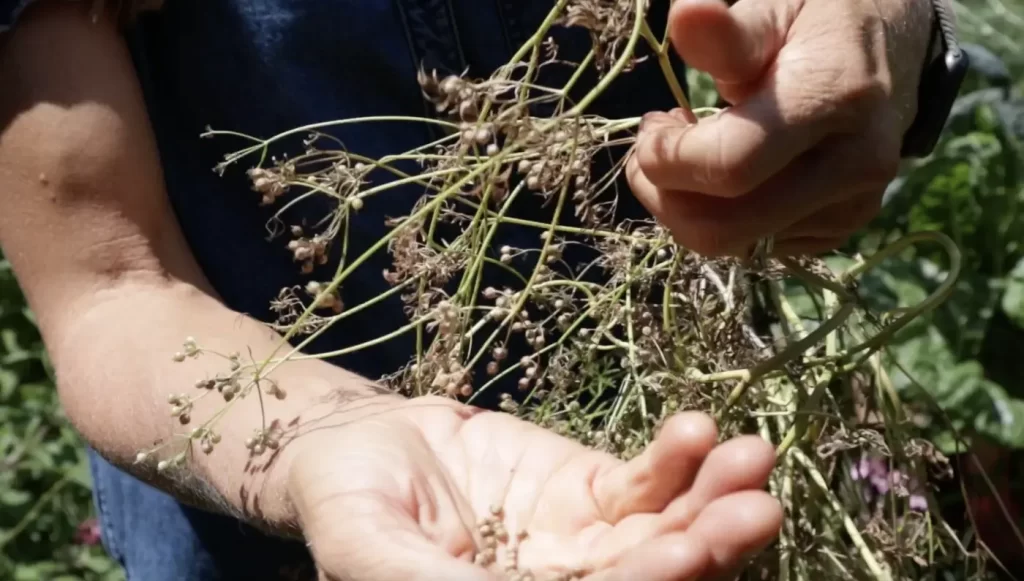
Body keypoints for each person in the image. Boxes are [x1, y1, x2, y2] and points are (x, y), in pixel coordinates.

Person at [0, 0, 942, 579]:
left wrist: (882, 25)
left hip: (693, 430)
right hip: (252, 509)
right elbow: (110, 283)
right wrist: (324, 444)